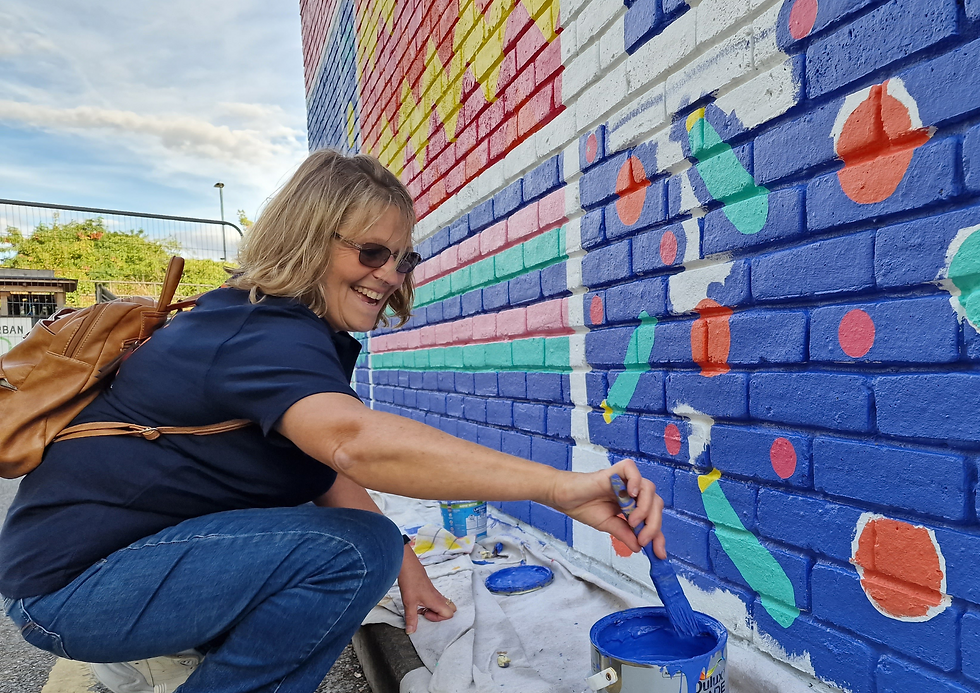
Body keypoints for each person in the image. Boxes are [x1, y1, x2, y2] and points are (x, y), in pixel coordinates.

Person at [0, 150, 666, 693]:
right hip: (74, 592)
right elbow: (354, 444)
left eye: (404, 258)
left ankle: (175, 657)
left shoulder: (270, 325)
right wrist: (557, 486)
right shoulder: (260, 333)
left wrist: (411, 573)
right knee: (351, 552)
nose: (391, 275)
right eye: (371, 252)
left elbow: (320, 471)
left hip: (101, 575)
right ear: (308, 237)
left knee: (364, 547)